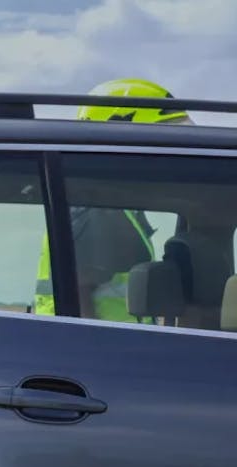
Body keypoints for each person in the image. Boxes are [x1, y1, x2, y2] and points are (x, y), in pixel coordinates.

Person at [34, 78, 192, 321]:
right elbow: (78, 299)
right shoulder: (96, 209)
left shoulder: (108, 206)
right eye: (162, 147)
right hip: (95, 354)